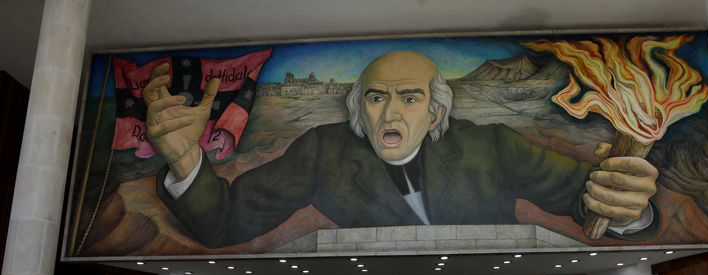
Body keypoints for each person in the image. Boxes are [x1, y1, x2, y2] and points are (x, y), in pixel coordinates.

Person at [147, 51, 659, 248]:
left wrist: (624, 207)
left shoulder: (493, 147)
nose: (391, 115)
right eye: (376, 98)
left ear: (436, 113)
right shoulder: (325, 151)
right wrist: (186, 159)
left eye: (409, 99)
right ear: (358, 110)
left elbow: (588, 196)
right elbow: (224, 223)